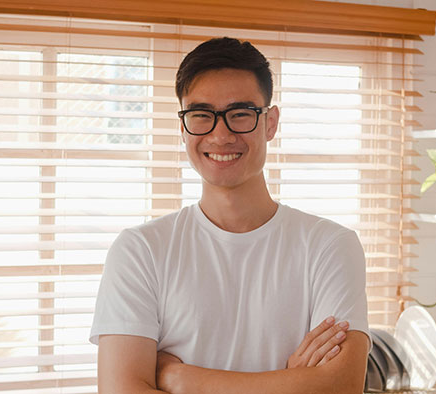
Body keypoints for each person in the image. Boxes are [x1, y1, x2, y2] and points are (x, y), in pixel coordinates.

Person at [90, 37, 370, 394]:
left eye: (240, 114)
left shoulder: (330, 246)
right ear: (183, 126)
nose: (220, 135)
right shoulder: (140, 250)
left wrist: (181, 378)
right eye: (201, 115)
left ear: (270, 122)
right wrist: (291, 382)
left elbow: (340, 387)